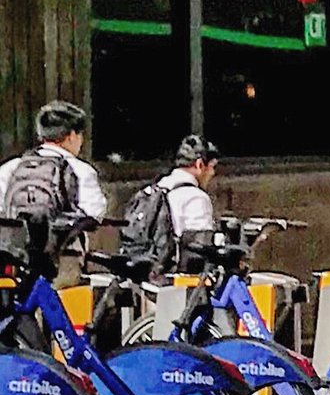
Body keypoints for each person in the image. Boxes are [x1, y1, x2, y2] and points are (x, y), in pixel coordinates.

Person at [0, 99, 106, 260]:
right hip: (61, 262)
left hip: (14, 260)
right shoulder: (79, 170)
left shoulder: (12, 167)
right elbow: (93, 214)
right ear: (71, 136)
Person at [118, 136, 222, 277]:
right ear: (199, 165)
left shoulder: (156, 188)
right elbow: (197, 252)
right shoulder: (196, 197)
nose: (212, 173)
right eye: (211, 167)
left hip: (144, 271)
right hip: (172, 281)